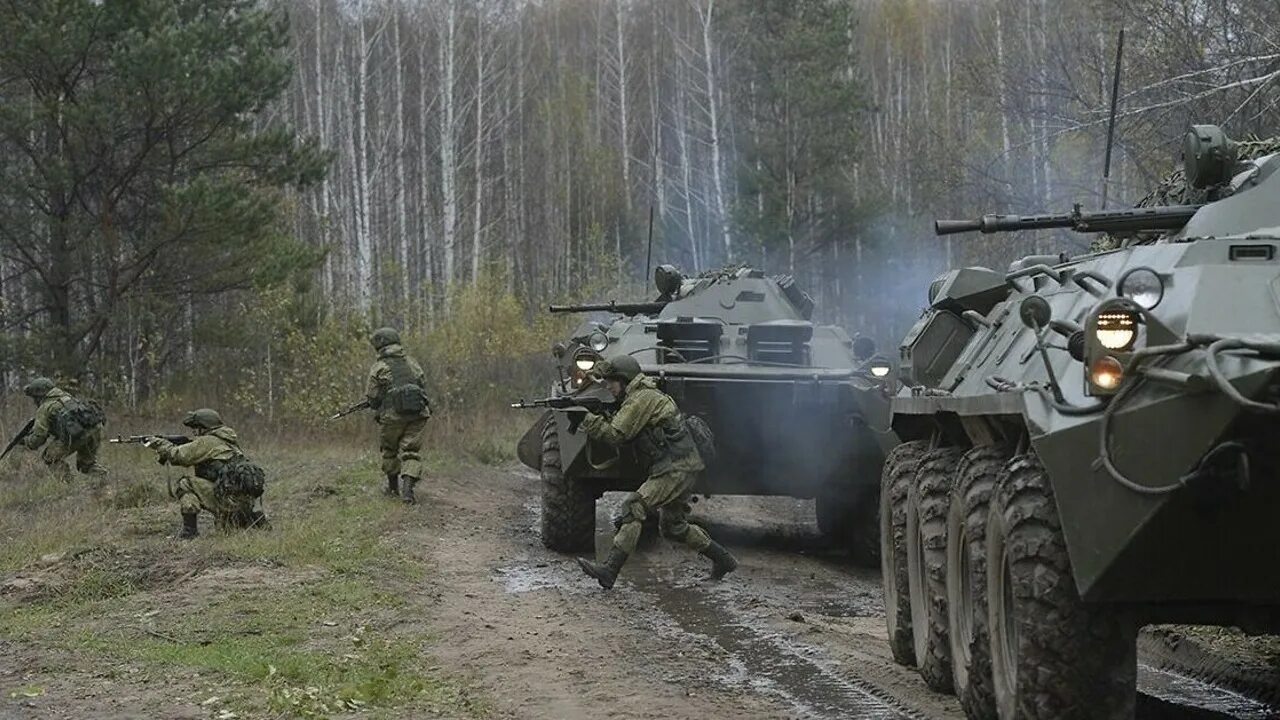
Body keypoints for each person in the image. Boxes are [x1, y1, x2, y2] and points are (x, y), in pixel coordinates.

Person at [575, 355, 737, 589]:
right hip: (680, 465)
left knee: (633, 507)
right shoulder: (641, 396)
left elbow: (615, 435)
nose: (608, 386)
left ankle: (610, 570)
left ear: (624, 379)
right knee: (674, 527)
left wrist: (586, 419)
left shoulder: (641, 399)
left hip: (676, 468)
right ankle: (724, 560)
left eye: (611, 381)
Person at [146, 409, 266, 539]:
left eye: (196, 428)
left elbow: (178, 456)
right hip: (243, 502)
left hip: (227, 500)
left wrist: (160, 443)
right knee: (227, 532)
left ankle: (189, 531)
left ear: (203, 428)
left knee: (185, 484)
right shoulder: (228, 440)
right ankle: (249, 520)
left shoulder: (208, 441)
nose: (194, 432)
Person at [365, 327, 431, 504]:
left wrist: (378, 403)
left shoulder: (379, 367)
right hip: (418, 414)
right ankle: (408, 491)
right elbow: (422, 384)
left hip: (392, 417)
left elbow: (372, 397)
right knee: (411, 451)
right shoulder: (412, 363)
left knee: (390, 450)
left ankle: (393, 488)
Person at [21, 377, 106, 482]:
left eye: (34, 398)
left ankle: (67, 485)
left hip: (76, 435)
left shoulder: (45, 408)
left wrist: (26, 442)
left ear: (39, 395)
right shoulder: (67, 396)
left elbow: (39, 438)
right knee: (86, 465)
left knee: (50, 458)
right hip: (94, 430)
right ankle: (104, 481)